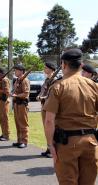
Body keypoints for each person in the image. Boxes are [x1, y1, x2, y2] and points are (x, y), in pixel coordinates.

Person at [43, 48, 98, 185]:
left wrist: (50, 145)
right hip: (90, 141)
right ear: (81, 65)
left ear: (63, 64)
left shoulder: (58, 87)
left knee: (68, 182)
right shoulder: (93, 86)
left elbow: (49, 120)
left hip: (67, 143)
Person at [37, 62, 57, 157]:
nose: (44, 69)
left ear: (51, 69)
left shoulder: (56, 80)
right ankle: (48, 148)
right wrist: (39, 96)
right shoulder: (47, 80)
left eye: (46, 68)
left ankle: (53, 150)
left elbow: (53, 94)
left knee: (52, 128)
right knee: (46, 129)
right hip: (44, 106)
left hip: (51, 107)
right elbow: (43, 90)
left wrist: (44, 98)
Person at [11, 65, 30, 148]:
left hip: (22, 104)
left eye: (16, 70)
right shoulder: (17, 80)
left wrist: (16, 95)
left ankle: (24, 141)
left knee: (23, 123)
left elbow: (26, 93)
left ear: (22, 71)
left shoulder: (24, 80)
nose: (15, 72)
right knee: (17, 122)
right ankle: (19, 140)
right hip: (16, 103)